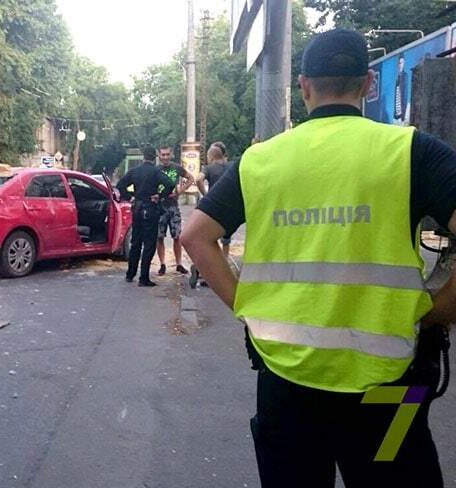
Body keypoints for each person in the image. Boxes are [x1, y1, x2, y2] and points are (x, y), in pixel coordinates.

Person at [181, 29, 456, 487]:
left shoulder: (260, 160)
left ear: (304, 86)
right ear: (368, 84)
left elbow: (195, 236)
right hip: (391, 391)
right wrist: (444, 305)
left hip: (286, 388)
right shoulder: (410, 151)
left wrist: (247, 307)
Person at [117, 145, 175, 287]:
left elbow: (120, 185)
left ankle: (130, 274)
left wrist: (131, 196)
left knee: (136, 242)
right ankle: (144, 278)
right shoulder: (155, 172)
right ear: (155, 156)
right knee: (149, 243)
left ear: (143, 156)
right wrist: (159, 196)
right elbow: (170, 184)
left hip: (137, 208)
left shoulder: (135, 171)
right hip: (150, 208)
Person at [155, 146, 193, 276]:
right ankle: (162, 264)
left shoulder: (176, 168)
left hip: (173, 206)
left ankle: (178, 264)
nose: (165, 157)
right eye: (163, 154)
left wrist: (181, 190)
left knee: (177, 236)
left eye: (167, 154)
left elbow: (191, 178)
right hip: (159, 207)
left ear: (171, 155)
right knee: (159, 237)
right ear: (159, 155)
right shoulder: (156, 170)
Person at [197, 142, 233, 256]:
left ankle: (212, 260)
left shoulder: (208, 168)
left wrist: (206, 195)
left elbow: (198, 179)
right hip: (229, 205)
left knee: (209, 235)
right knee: (226, 237)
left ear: (211, 156)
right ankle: (225, 260)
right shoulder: (232, 166)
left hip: (214, 206)